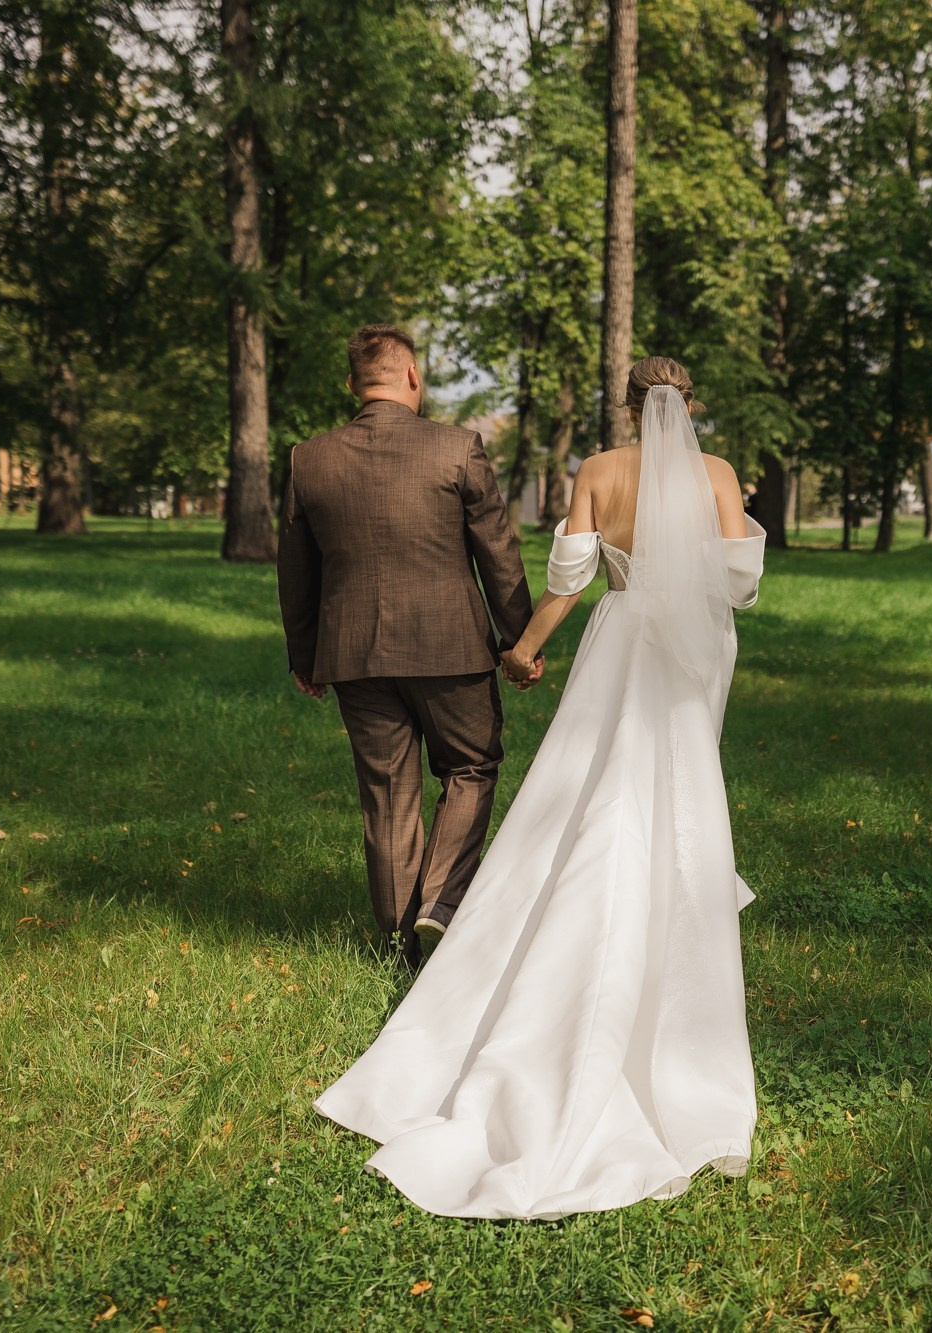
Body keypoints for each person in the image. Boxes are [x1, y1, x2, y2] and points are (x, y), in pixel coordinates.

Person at [316, 356, 768, 1220]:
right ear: (689, 403)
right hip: (696, 648)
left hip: (620, 635)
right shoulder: (718, 474)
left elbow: (570, 580)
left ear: (629, 406)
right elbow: (741, 585)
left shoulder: (597, 470)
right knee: (677, 783)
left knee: (595, 781)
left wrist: (523, 649)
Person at [276, 324, 539, 968]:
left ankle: (398, 947)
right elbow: (498, 552)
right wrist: (520, 640)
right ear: (413, 376)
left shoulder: (309, 458)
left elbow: (296, 571)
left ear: (353, 385)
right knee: (470, 767)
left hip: (353, 655)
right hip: (452, 650)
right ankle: (440, 901)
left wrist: (304, 656)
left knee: (388, 795)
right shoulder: (457, 448)